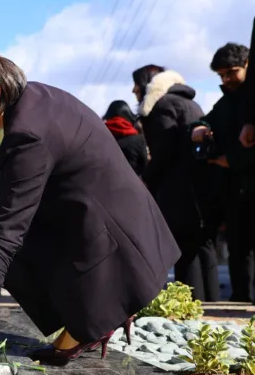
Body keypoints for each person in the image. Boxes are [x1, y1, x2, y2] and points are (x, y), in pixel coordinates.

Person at [0, 47, 179, 368]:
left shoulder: (27, 135)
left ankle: (90, 319)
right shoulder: (37, 99)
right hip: (132, 228)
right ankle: (91, 313)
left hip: (115, 245)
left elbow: (9, 231)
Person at [135, 65, 220, 302]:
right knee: (203, 245)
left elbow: (164, 152)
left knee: (183, 247)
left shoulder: (163, 106)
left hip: (177, 189)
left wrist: (147, 180)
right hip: (201, 186)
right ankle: (211, 302)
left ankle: (188, 304)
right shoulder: (192, 104)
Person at [191, 43, 255, 302]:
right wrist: (199, 127)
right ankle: (240, 299)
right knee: (238, 247)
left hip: (248, 182)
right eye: (221, 75)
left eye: (232, 72)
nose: (227, 79)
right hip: (233, 190)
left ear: (248, 65)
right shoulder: (227, 101)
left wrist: (234, 160)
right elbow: (207, 120)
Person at [102, 100, 148, 177]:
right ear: (128, 114)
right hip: (134, 184)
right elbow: (145, 166)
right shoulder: (138, 139)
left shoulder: (101, 137)